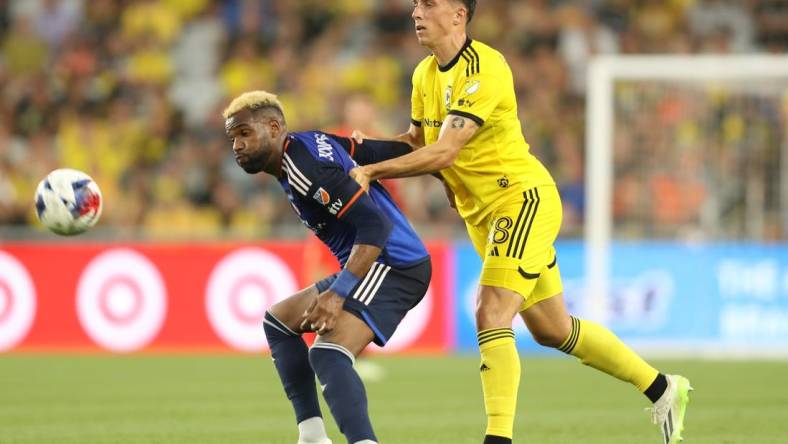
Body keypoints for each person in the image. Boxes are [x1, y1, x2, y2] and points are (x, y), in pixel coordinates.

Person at [348, 1, 692, 443]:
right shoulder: (424, 75)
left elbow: (445, 151)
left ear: (459, 14)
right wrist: (363, 151)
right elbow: (416, 143)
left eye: (428, 3)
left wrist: (372, 172)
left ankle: (498, 438)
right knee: (554, 329)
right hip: (484, 217)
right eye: (415, 3)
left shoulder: (485, 68)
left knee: (491, 310)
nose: (416, 11)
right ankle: (664, 388)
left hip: (521, 200)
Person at [223, 90, 431, 444]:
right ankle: (312, 436)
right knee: (279, 322)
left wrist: (338, 293)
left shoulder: (306, 167)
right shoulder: (311, 144)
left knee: (327, 353)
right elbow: (375, 153)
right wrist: (423, 152)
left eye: (245, 133)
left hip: (393, 262)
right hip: (375, 261)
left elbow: (375, 226)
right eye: (233, 138)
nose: (237, 146)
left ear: (274, 128)